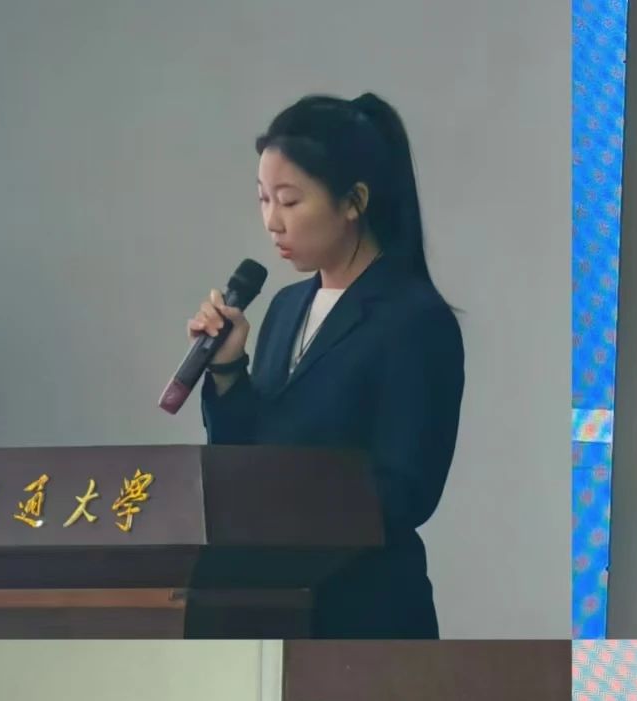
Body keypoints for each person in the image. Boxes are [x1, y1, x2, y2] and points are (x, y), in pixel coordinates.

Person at [188, 94, 464, 638]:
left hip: (367, 611)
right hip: (270, 605)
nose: (272, 222)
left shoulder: (414, 319)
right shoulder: (285, 307)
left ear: (353, 201)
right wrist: (227, 370)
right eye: (263, 199)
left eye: (289, 201)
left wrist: (285, 505)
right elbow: (243, 462)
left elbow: (407, 490)